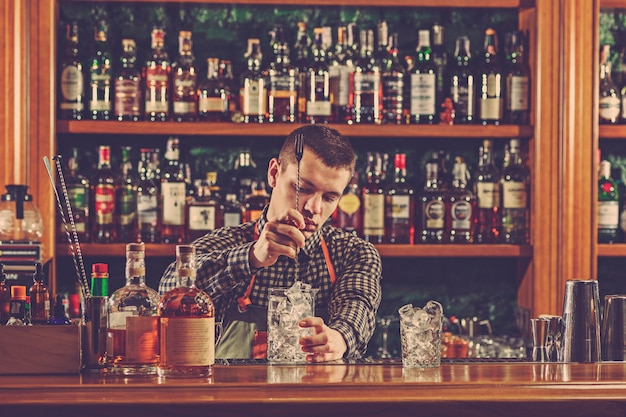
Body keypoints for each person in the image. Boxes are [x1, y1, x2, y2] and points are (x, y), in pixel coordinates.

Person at [158, 125, 382, 362]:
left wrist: (338, 339)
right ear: (274, 173)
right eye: (303, 189)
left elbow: (358, 305)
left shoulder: (353, 253)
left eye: (329, 198)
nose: (314, 209)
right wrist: (251, 257)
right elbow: (169, 292)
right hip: (230, 395)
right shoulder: (227, 243)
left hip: (316, 398)